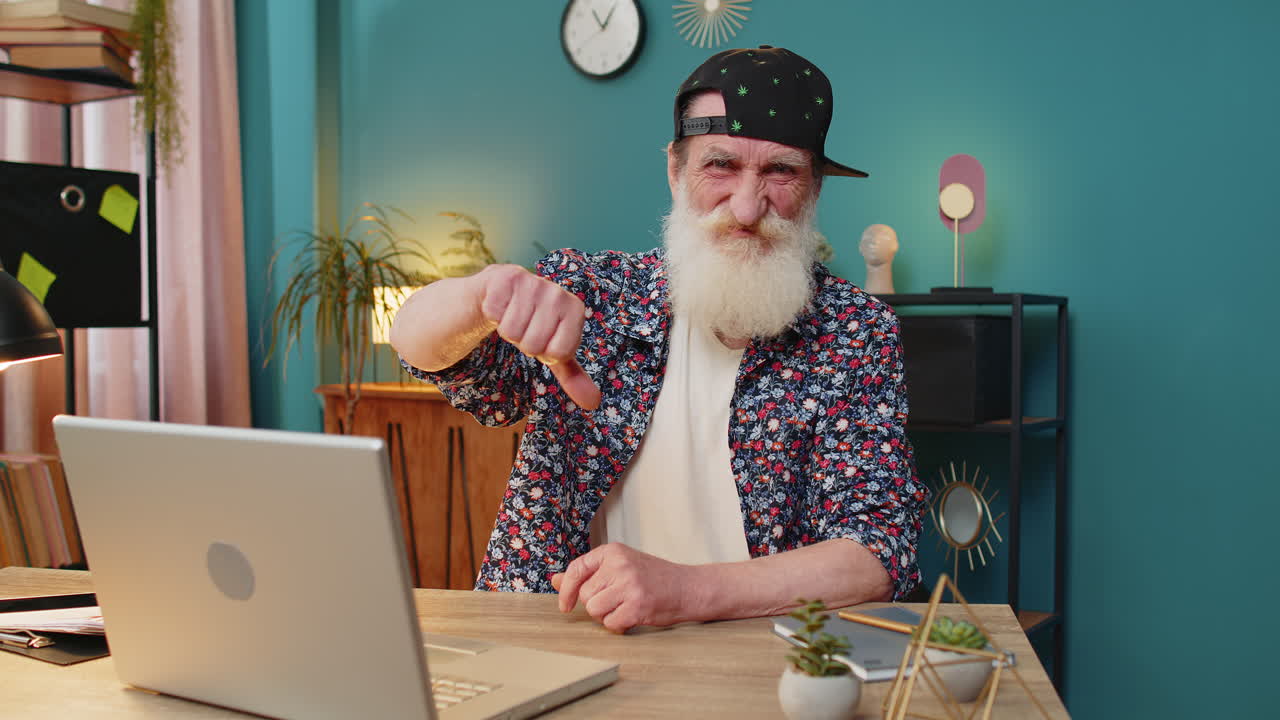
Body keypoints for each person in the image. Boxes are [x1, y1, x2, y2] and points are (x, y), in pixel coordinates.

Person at [391, 46, 927, 634]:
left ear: (814, 189)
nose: (747, 207)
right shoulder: (592, 294)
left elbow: (877, 556)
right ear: (675, 171)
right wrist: (482, 295)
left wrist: (687, 589)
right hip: (556, 639)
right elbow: (422, 349)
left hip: (759, 659)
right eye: (719, 165)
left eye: (781, 172)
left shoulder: (855, 331)